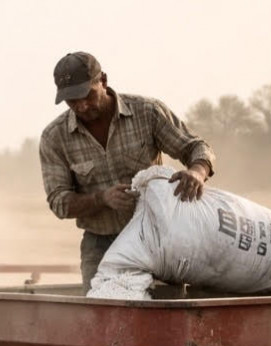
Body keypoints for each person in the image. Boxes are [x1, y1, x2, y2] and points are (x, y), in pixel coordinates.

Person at [39, 52, 216, 292]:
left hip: (158, 237)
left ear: (103, 80)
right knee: (100, 318)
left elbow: (196, 147)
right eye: (71, 101)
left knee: (166, 314)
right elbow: (59, 202)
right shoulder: (54, 138)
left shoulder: (147, 112)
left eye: (86, 95)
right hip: (101, 244)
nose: (81, 105)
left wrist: (197, 171)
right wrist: (102, 199)